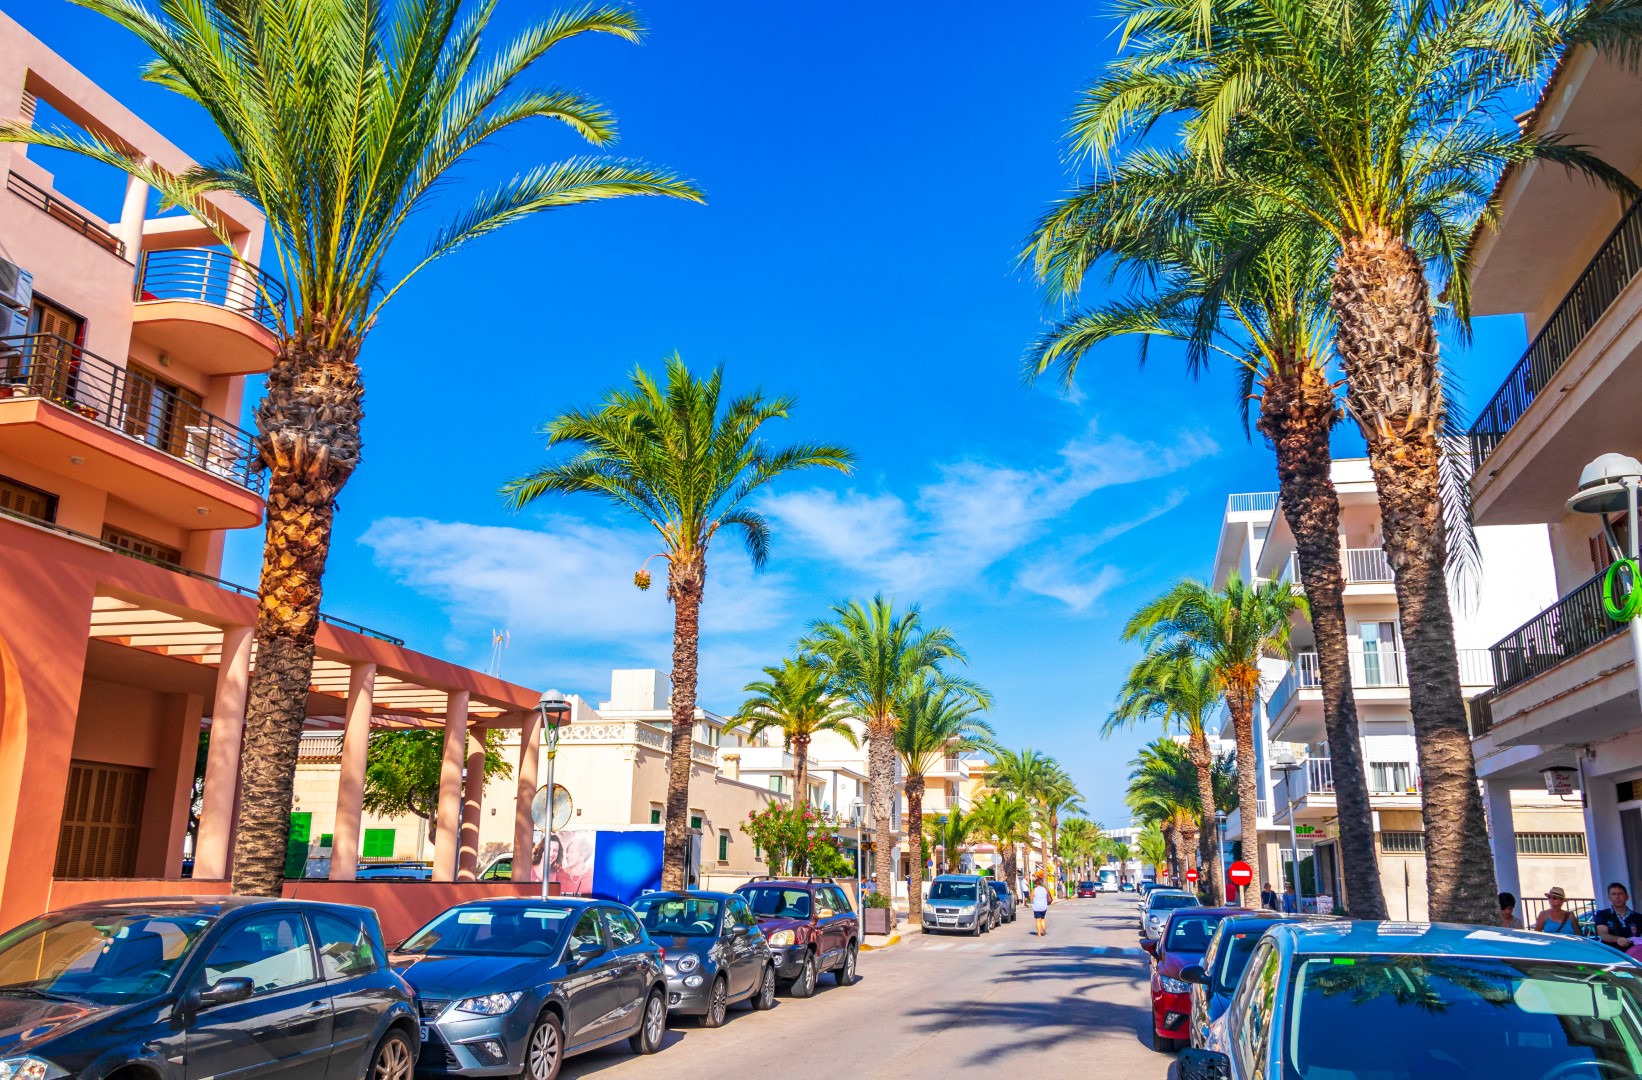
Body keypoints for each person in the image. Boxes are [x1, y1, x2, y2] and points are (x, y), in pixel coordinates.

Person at [1594, 882, 1642, 950]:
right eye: (1613, 894)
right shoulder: (1602, 914)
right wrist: (1618, 939)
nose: (1617, 897)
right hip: (1612, 956)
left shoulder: (1638, 917)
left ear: (1627, 897)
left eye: (1620, 894)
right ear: (1609, 897)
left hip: (1634, 956)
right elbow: (1603, 935)